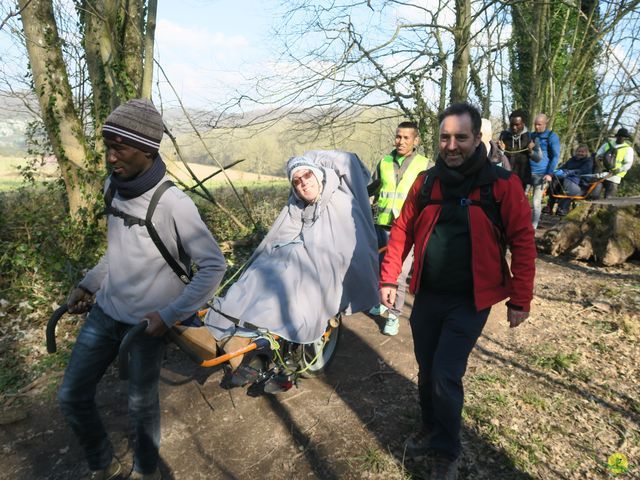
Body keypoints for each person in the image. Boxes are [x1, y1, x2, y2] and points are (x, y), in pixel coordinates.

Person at [58, 99, 227, 480]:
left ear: (148, 149)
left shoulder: (174, 204)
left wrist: (168, 316)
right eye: (108, 147)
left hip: (146, 327)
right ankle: (102, 463)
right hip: (105, 314)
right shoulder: (112, 189)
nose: (111, 157)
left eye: (121, 147)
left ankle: (146, 471)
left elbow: (214, 266)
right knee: (71, 395)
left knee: (140, 405)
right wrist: (88, 283)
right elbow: (117, 254)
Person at [379, 103, 536, 479]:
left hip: (471, 300)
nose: (451, 145)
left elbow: (523, 242)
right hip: (428, 294)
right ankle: (431, 427)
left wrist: (520, 299)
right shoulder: (427, 182)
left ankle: (448, 449)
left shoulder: (501, 184)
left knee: (446, 373)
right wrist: (389, 278)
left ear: (476, 138)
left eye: (460, 137)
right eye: (445, 137)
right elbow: (401, 230)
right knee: (427, 367)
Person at [205, 151, 378, 379]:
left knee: (289, 281)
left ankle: (255, 335)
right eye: (296, 181)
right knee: (260, 270)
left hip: (328, 268)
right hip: (299, 259)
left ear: (318, 174)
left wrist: (297, 255)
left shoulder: (340, 201)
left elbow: (339, 248)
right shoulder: (299, 205)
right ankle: (228, 325)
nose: (303, 183)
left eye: (306, 175)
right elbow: (282, 235)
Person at [367, 122, 429, 335]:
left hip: (407, 229)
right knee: (381, 268)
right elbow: (371, 188)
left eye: (406, 137)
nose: (401, 141)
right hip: (382, 224)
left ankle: (393, 315)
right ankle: (383, 301)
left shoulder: (425, 165)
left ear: (416, 140)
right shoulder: (383, 162)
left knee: (400, 275)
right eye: (398, 137)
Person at [529, 113, 561, 228]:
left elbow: (555, 156)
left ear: (545, 123)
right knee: (521, 199)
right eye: (535, 124)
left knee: (536, 202)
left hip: (542, 174)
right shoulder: (531, 135)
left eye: (539, 124)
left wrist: (549, 173)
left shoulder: (552, 137)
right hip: (528, 173)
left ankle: (533, 227)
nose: (537, 127)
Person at [546, 145, 594, 216]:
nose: (580, 153)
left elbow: (582, 171)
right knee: (554, 178)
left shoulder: (588, 161)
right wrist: (557, 171)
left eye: (582, 152)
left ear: (586, 153)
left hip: (580, 183)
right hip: (567, 179)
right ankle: (549, 206)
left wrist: (569, 172)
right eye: (579, 151)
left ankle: (562, 208)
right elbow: (562, 168)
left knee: (567, 182)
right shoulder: (571, 160)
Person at [594, 128, 635, 198]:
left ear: (626, 138)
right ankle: (593, 208)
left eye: (622, 136)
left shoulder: (628, 149)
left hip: (614, 176)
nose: (621, 137)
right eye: (620, 136)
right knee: (594, 195)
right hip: (603, 173)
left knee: (608, 198)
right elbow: (597, 156)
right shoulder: (607, 144)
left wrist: (618, 170)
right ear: (617, 136)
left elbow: (628, 164)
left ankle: (602, 208)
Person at [498, 109, 533, 188]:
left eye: (517, 125)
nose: (514, 127)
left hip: (522, 178)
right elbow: (497, 157)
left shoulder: (530, 137)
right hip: (505, 176)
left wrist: (531, 151)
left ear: (523, 123)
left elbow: (538, 158)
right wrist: (501, 150)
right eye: (512, 124)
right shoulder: (504, 135)